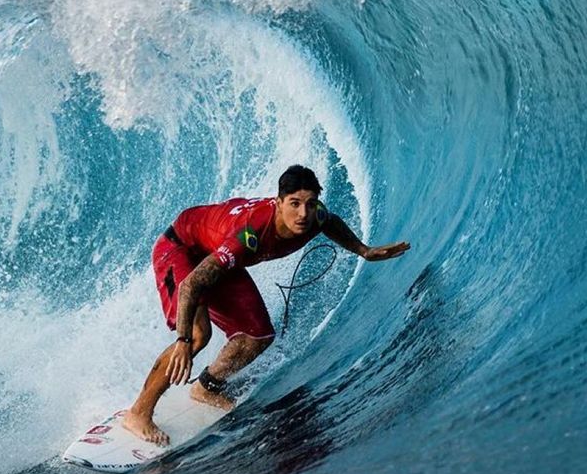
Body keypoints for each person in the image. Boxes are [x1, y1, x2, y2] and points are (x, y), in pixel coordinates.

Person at [123, 165, 411, 445]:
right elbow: (191, 285)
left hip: (215, 253)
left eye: (310, 204)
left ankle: (206, 388)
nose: (303, 214)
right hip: (181, 247)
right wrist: (183, 340)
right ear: (278, 202)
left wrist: (364, 251)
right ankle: (138, 413)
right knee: (199, 334)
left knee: (257, 335)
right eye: (294, 204)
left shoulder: (315, 216)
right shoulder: (249, 236)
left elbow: (330, 222)